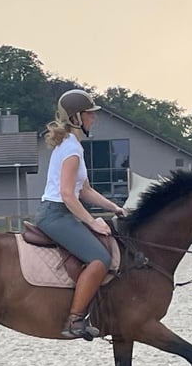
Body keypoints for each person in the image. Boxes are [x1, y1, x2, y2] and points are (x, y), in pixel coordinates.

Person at [35, 89, 127, 340]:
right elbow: (67, 194)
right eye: (90, 114)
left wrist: (114, 207)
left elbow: (84, 190)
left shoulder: (72, 146)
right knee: (99, 259)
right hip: (56, 214)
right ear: (76, 117)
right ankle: (74, 320)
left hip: (62, 212)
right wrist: (92, 221)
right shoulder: (72, 150)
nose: (93, 118)